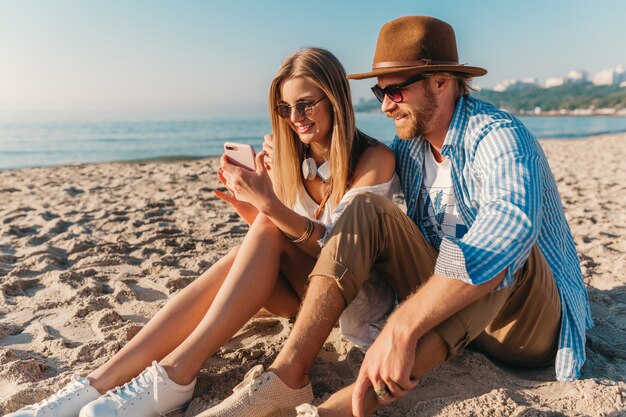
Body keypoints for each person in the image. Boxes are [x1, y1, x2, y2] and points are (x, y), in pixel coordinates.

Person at [198, 16, 593, 417]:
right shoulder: (408, 149)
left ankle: (338, 409)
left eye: (397, 91)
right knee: (368, 210)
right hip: (450, 316)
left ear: (441, 81)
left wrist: (404, 324)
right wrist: (296, 154)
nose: (385, 105)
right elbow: (350, 208)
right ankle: (286, 376)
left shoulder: (498, 136)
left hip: (525, 328)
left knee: (503, 256)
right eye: (380, 91)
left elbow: (506, 232)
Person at [4, 47, 397, 417]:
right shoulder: (292, 156)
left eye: (306, 103)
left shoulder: (373, 159)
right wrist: (253, 205)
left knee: (265, 223)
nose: (295, 117)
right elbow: (281, 244)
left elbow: (340, 251)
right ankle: (96, 382)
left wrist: (269, 208)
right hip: (301, 297)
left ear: (336, 100)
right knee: (256, 232)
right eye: (285, 107)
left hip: (353, 299)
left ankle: (177, 372)